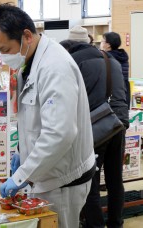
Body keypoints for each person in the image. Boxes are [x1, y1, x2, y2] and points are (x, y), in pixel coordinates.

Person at [0, 4, 96, 228]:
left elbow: (60, 133)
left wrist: (21, 176)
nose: (4, 57)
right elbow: (31, 118)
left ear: (26, 36)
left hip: (64, 178)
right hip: (46, 172)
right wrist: (21, 152)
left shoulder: (55, 67)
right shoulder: (30, 62)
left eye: (5, 50)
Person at [60, 26, 129, 228]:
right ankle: (116, 223)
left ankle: (95, 225)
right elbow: (122, 92)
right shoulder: (111, 60)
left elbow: (69, 101)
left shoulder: (73, 62)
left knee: (91, 182)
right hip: (117, 125)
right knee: (115, 179)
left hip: (93, 128)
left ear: (70, 43)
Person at [101, 32, 130, 108]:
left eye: (103, 41)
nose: (101, 43)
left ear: (108, 45)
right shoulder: (122, 55)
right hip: (125, 88)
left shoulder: (107, 58)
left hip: (113, 91)